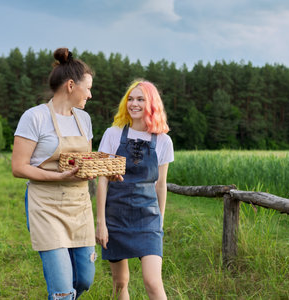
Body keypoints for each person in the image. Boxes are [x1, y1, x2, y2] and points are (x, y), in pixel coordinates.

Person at [12, 48, 97, 299]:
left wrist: (102, 172)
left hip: (79, 205)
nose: (90, 95)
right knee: (62, 291)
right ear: (71, 85)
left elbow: (85, 162)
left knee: (84, 279)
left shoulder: (84, 119)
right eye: (88, 88)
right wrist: (58, 177)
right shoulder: (34, 117)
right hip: (46, 206)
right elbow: (19, 167)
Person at [95, 79, 174, 299]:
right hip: (116, 217)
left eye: (140, 99)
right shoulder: (113, 134)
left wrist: (160, 220)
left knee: (153, 281)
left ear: (152, 104)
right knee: (120, 283)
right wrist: (101, 223)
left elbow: (161, 184)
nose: (134, 103)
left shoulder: (163, 141)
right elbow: (102, 181)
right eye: (130, 99)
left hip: (148, 218)